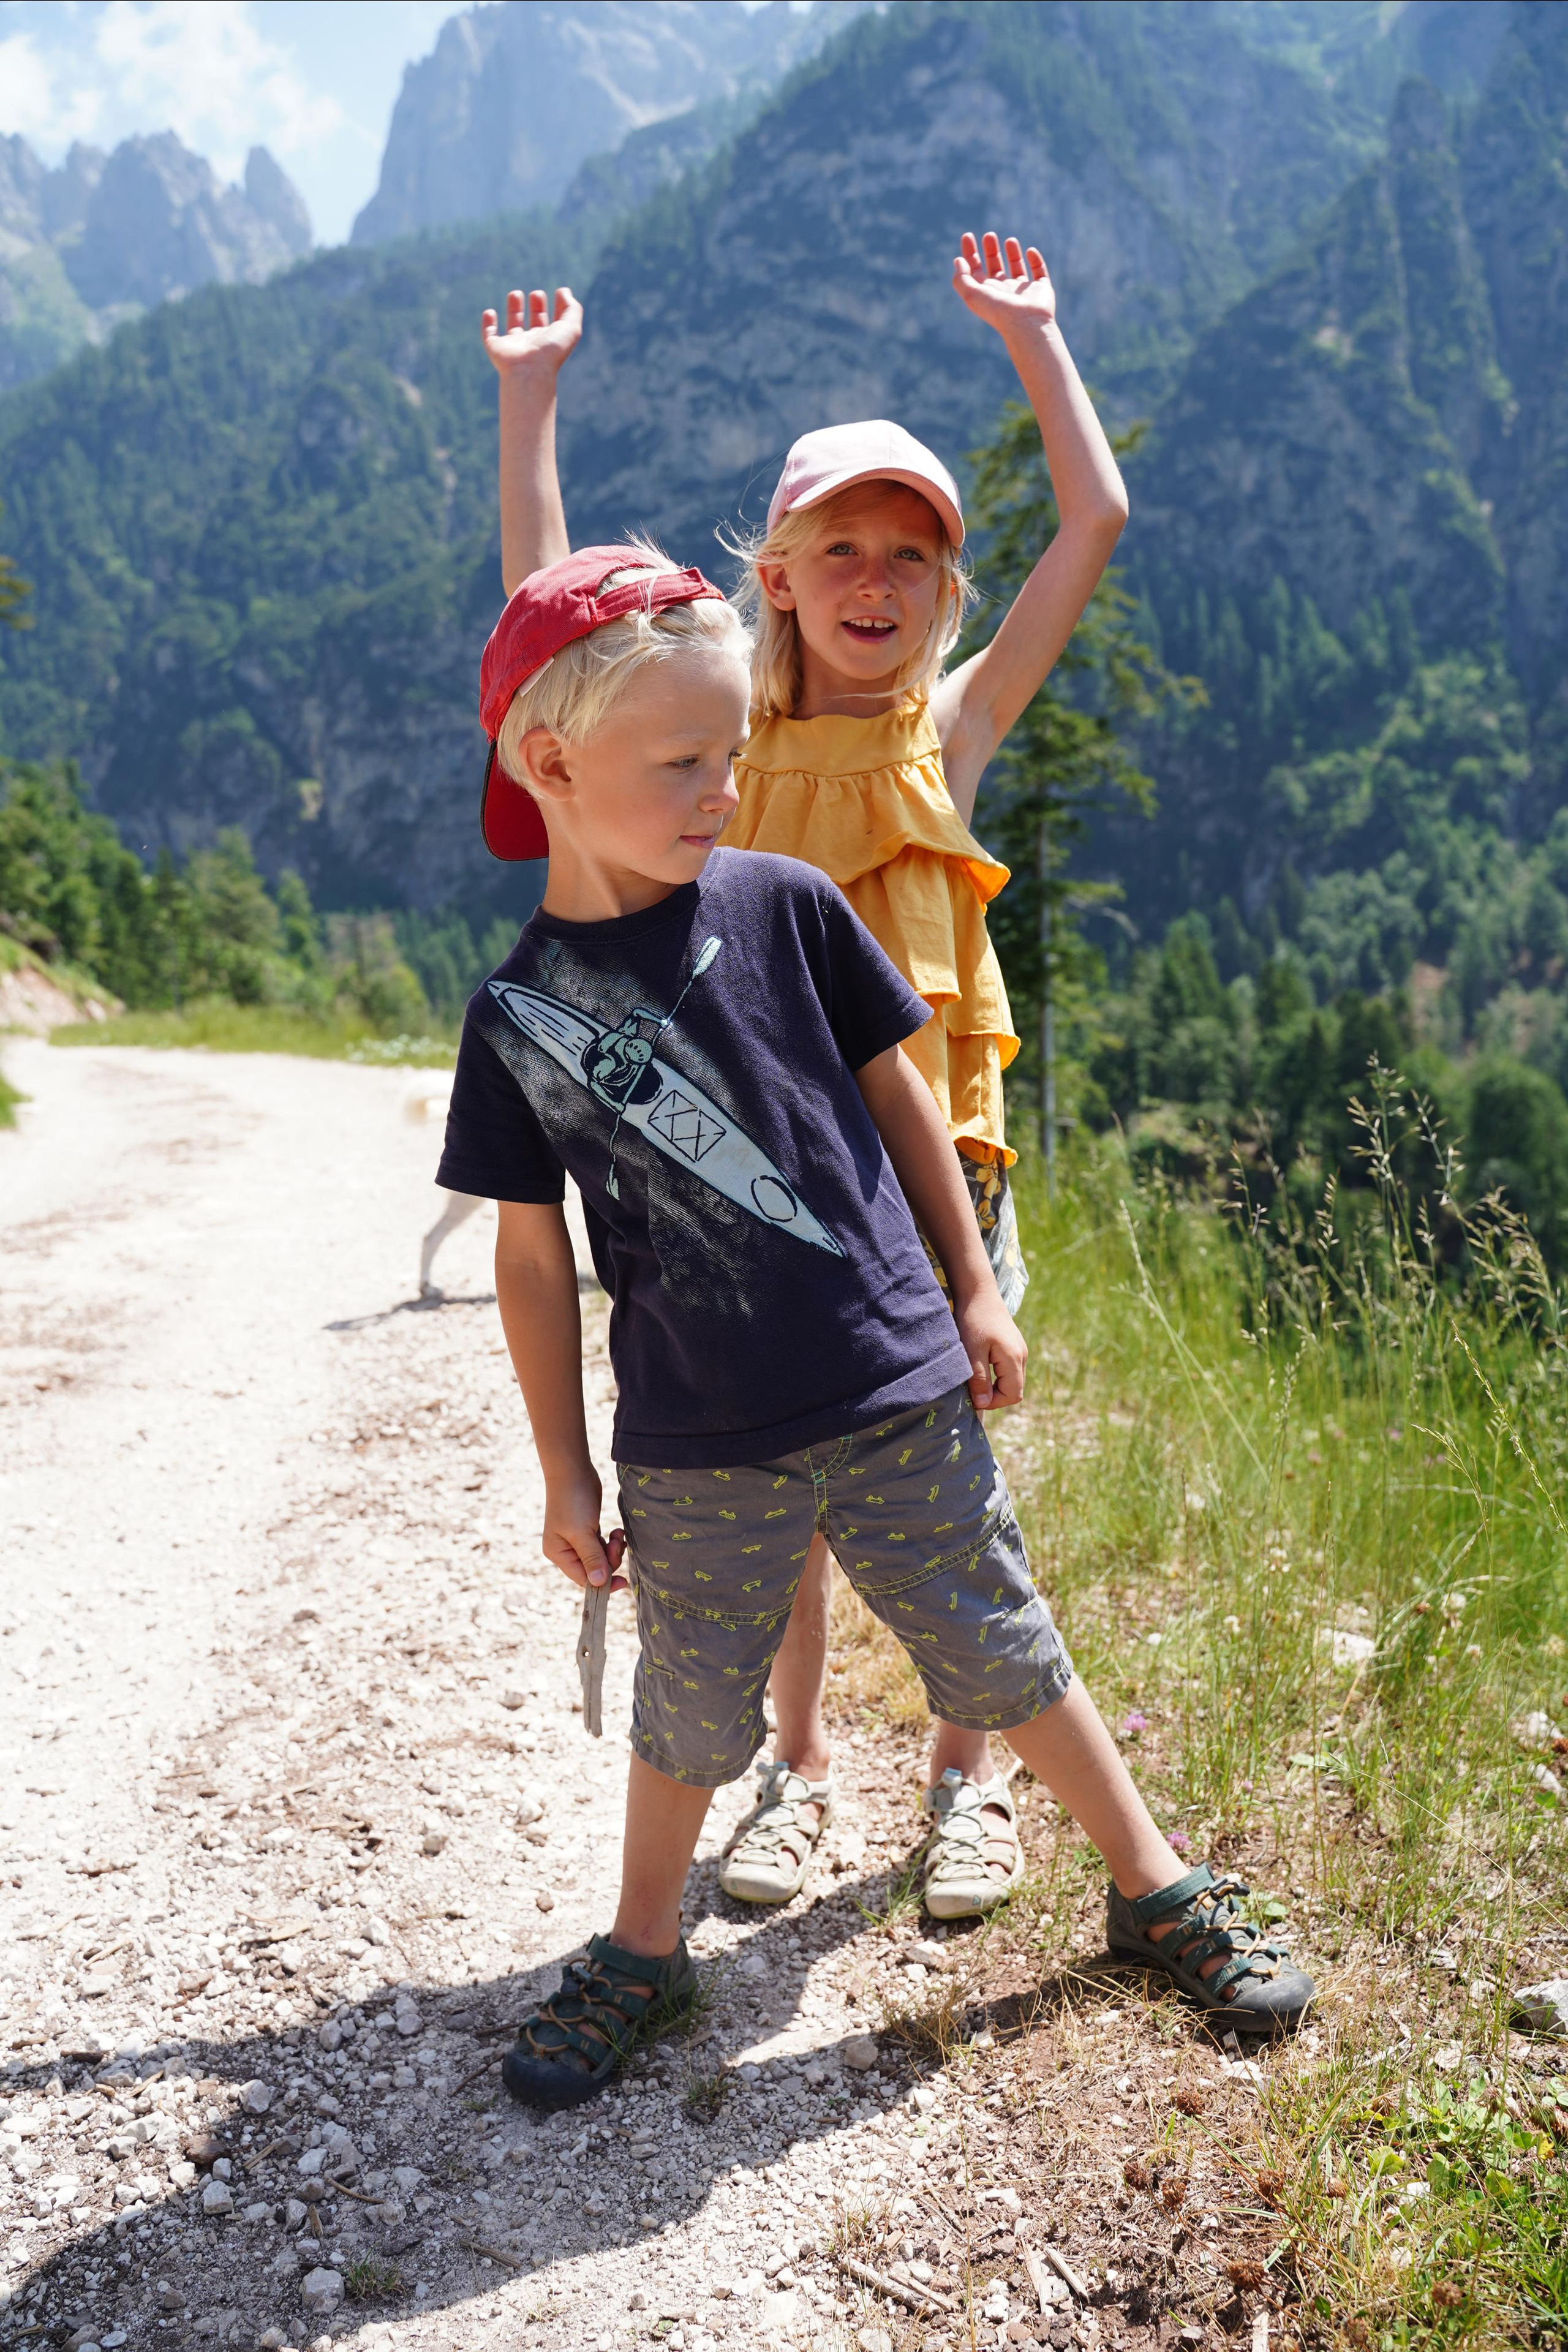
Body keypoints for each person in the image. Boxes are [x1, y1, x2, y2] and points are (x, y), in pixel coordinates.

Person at [437, 545, 1314, 2110]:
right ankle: (642, 1946)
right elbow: (526, 1256)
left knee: (996, 1636)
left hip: (893, 1375)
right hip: (696, 1437)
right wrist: (563, 1468)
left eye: (730, 752)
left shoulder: (782, 905)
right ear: (552, 766)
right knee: (686, 1698)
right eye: (684, 762)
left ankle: (1150, 1883)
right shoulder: (519, 1017)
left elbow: (902, 1094)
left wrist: (970, 1284)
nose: (724, 789)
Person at [480, 232, 1125, 1923]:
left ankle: (967, 1785)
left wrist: (1036, 341)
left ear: (944, 591)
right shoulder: (723, 745)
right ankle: (801, 1763)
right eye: (840, 545)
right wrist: (531, 404)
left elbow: (1093, 524)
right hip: (763, 1178)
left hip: (939, 1166)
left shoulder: (950, 732)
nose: (877, 578)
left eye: (913, 554)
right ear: (774, 574)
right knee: (796, 1498)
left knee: (949, 1492)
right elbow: (555, 642)